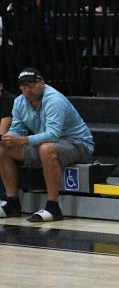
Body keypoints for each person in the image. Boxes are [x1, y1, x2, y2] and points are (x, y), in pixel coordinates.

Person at [0, 68, 94, 222]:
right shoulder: (19, 101)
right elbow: (17, 129)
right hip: (45, 143)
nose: (27, 89)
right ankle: (12, 203)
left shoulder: (54, 100)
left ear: (42, 83)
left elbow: (53, 135)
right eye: (23, 85)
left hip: (78, 144)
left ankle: (53, 207)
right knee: (3, 148)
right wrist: (9, 137)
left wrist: (22, 140)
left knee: (46, 148)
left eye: (31, 84)